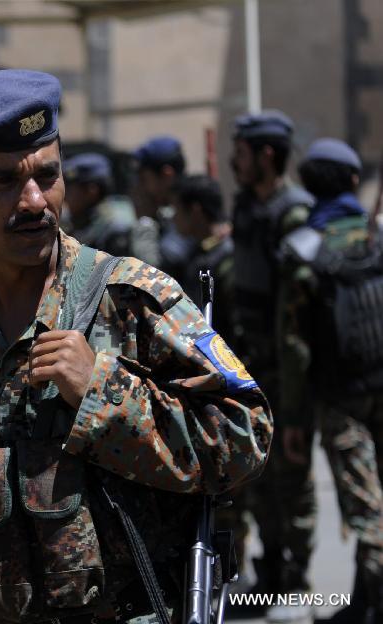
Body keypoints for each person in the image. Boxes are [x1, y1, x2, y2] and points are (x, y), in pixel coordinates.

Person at [0, 68, 271, 623]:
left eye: (47, 176)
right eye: (3, 181)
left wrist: (103, 393)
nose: (33, 201)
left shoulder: (134, 300)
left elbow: (247, 436)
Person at [279, 139, 383, 623]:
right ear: (354, 183)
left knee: (365, 509)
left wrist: (295, 417)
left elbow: (295, 346)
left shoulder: (302, 251)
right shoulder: (376, 238)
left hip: (339, 402)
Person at [229, 110, 317, 620]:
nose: (235, 163)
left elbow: (298, 317)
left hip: (289, 372)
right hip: (249, 365)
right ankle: (272, 574)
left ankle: (301, 584)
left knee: (293, 476)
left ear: (265, 155)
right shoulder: (246, 209)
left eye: (242, 153)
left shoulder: (294, 215)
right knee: (257, 473)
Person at [170, 174, 234, 341]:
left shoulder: (226, 256)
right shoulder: (198, 251)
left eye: (177, 209)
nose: (173, 217)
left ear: (195, 210)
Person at [130, 136, 192, 279]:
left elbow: (153, 276)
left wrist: (144, 221)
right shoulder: (165, 213)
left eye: (144, 179)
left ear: (166, 175)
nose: (140, 187)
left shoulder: (188, 211)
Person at [62, 151, 135, 258]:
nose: (64, 194)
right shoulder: (78, 221)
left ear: (92, 191)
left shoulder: (113, 230)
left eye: (69, 188)